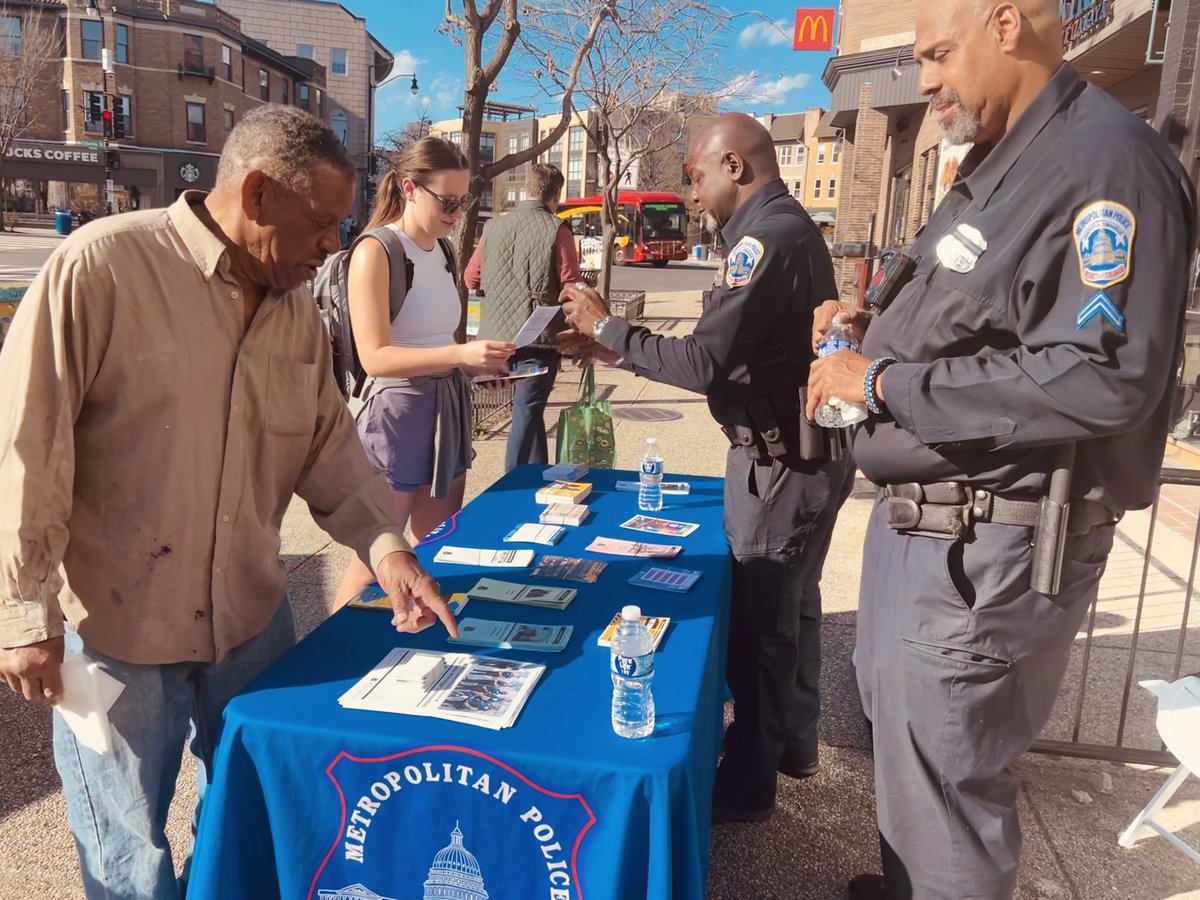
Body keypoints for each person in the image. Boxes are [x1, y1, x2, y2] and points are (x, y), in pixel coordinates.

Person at [0, 105, 459, 900]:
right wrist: (22, 616)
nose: (331, 246)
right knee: (128, 863)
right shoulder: (101, 269)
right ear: (255, 196)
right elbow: (26, 451)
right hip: (113, 632)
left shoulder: (294, 311)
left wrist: (389, 550)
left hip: (249, 620)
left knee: (246, 827)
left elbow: (327, 447)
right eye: (320, 224)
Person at [805, 0, 1196, 895]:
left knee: (949, 794)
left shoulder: (1102, 164)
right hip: (934, 539)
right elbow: (984, 319)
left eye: (939, 54)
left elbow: (1103, 377)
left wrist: (881, 383)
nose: (927, 79)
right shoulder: (1008, 161)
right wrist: (872, 327)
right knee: (914, 761)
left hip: (984, 552)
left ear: (1007, 23)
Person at [560, 112, 855, 824]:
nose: (688, 192)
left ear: (735, 166)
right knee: (794, 611)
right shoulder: (784, 229)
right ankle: (794, 747)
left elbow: (704, 363)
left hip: (781, 466)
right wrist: (619, 351)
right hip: (796, 456)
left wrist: (607, 326)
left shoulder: (764, 238)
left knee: (760, 632)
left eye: (693, 173)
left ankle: (747, 788)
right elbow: (729, 355)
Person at [332, 137, 515, 608]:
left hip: (447, 404)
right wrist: (460, 357)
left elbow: (440, 340)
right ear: (410, 188)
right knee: (378, 556)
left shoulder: (445, 250)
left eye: (464, 200)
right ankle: (336, 659)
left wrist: (479, 366)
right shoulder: (377, 249)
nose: (457, 212)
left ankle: (410, 641)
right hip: (395, 412)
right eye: (448, 201)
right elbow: (374, 357)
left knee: (437, 543)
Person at [465, 163, 582, 472]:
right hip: (538, 340)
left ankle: (537, 475)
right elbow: (570, 285)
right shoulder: (558, 229)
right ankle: (513, 483)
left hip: (494, 340)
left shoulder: (492, 227)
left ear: (526, 190)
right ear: (556, 194)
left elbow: (470, 278)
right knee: (527, 410)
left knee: (530, 413)